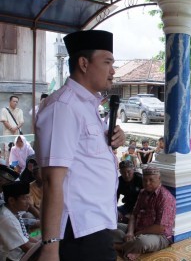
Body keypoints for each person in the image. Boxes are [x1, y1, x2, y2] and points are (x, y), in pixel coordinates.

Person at [35, 30, 126, 261]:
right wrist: (50, 248)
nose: (113, 70)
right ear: (84, 63)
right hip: (77, 231)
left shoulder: (86, 106)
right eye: (107, 62)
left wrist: (115, 139)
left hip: (94, 226)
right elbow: (52, 180)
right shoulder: (63, 107)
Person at [112, 166, 175, 261]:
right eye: (144, 180)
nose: (147, 183)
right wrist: (130, 232)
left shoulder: (165, 198)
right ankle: (132, 245)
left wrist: (137, 233)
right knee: (111, 227)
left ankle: (120, 247)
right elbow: (134, 214)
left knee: (142, 241)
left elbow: (160, 228)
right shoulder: (143, 193)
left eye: (151, 180)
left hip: (159, 236)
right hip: (138, 229)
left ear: (159, 179)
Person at [0, 182, 38, 261]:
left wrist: (42, 243)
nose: (29, 203)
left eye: (28, 197)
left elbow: (25, 236)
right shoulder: (7, 218)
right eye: (25, 198)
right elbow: (27, 247)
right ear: (11, 200)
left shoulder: (13, 211)